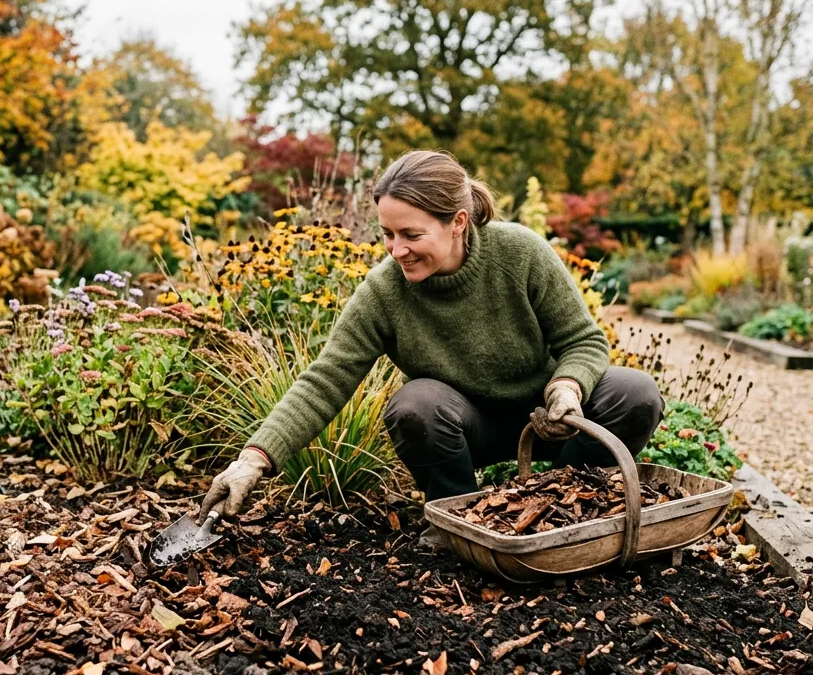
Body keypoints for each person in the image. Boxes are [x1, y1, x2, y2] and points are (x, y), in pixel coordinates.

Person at [200, 151, 665, 519]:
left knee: (636, 392)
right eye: (386, 234)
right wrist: (254, 458)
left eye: (411, 234)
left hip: (549, 419)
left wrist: (568, 388)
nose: (397, 250)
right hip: (463, 428)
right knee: (415, 405)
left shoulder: (520, 253)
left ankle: (568, 505)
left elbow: (583, 341)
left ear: (458, 222)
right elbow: (326, 377)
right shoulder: (386, 290)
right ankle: (460, 518)